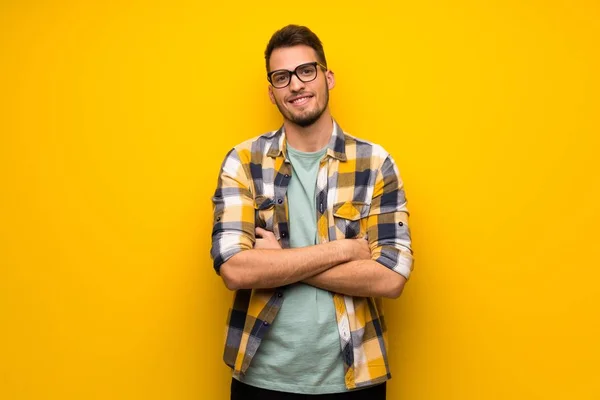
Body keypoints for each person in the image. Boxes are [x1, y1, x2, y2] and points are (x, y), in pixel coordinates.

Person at [210, 24, 413, 400]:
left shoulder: (375, 163)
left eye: (307, 71)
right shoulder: (243, 161)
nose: (296, 85)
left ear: (327, 77)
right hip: (261, 380)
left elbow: (390, 278)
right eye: (282, 77)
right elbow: (235, 270)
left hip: (355, 379)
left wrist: (279, 261)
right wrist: (345, 251)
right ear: (271, 93)